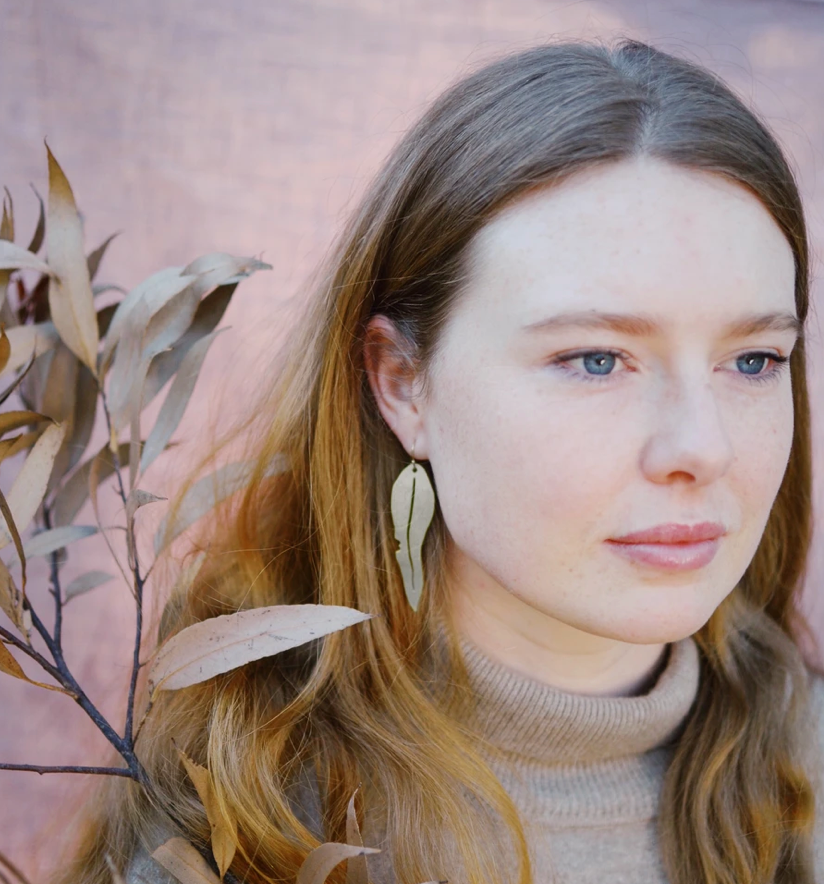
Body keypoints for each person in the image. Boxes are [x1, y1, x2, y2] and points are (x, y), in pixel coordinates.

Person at [56, 36, 824, 884]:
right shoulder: (248, 820)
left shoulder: (805, 768)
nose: (702, 447)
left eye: (754, 360)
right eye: (596, 359)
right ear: (402, 383)